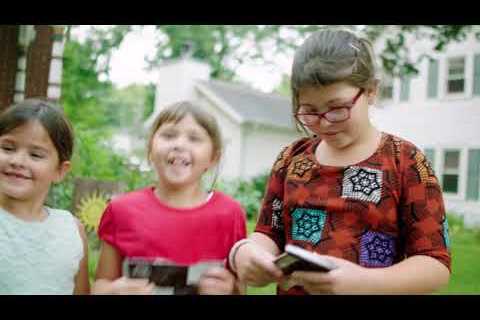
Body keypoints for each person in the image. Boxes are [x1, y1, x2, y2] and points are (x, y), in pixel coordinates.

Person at [229, 28, 451, 295]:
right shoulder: (291, 160)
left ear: (371, 91)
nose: (324, 123)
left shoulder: (406, 161)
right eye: (309, 111)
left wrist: (363, 283)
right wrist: (248, 252)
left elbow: (434, 264)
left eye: (337, 109)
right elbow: (268, 233)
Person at [92, 101, 247, 294]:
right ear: (150, 149)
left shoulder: (230, 214)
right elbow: (99, 285)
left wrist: (229, 290)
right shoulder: (121, 210)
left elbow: (240, 288)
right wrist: (114, 291)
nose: (179, 144)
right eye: (169, 135)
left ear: (213, 157)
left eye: (194, 138)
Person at [0, 99, 89, 294]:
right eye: (7, 148)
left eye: (36, 155)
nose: (17, 161)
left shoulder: (72, 230)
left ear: (60, 171)